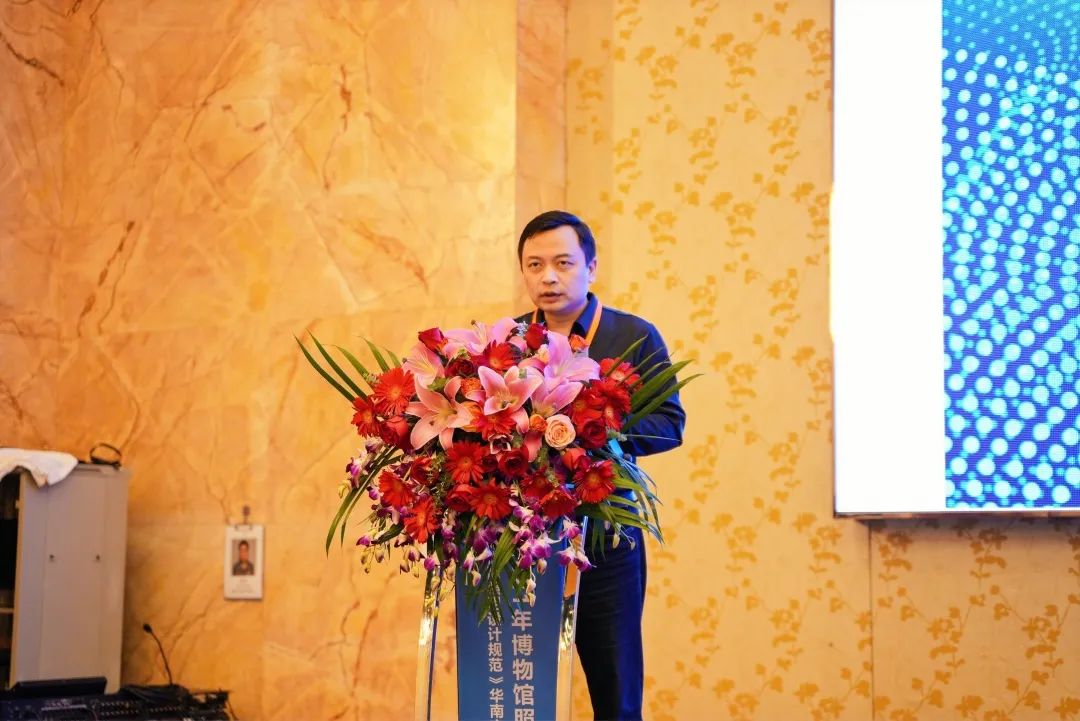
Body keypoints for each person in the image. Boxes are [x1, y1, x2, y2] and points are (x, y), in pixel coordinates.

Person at [516, 210, 686, 721]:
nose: (548, 276)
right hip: (524, 536)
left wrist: (594, 426)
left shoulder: (632, 335)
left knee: (615, 691)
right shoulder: (508, 343)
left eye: (563, 263)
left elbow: (669, 424)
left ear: (591, 267)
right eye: (535, 265)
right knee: (521, 684)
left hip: (607, 534)